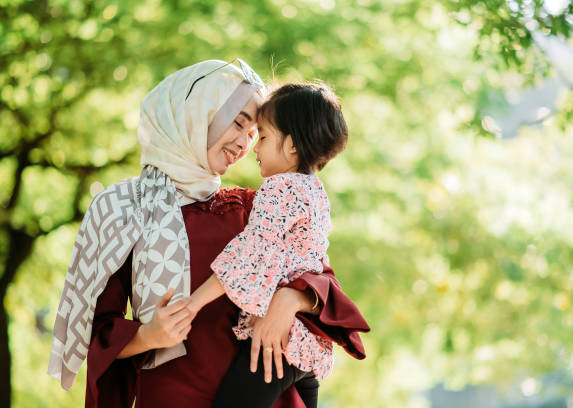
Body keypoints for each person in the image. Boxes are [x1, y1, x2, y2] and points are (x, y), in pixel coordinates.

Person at [48, 59, 370, 408]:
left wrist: (291, 300)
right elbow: (94, 336)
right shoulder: (125, 208)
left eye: (255, 135)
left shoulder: (252, 206)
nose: (245, 145)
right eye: (239, 124)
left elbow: (322, 280)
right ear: (198, 113)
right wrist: (147, 335)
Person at [187, 82, 350, 408]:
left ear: (291, 146)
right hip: (308, 346)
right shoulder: (315, 191)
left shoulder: (279, 189)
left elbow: (249, 253)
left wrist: (192, 304)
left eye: (262, 137)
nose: (254, 148)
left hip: (279, 339)